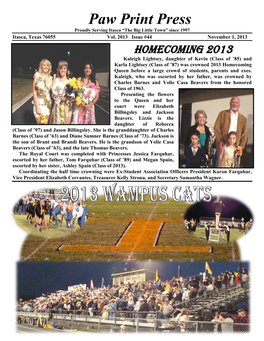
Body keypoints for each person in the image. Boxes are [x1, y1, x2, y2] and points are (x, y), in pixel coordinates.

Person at [214, 97, 248, 166]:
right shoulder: (222, 114)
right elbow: (216, 128)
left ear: (239, 105)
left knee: (234, 165)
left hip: (235, 147)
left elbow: (245, 134)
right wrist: (219, 141)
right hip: (222, 144)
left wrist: (241, 146)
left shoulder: (243, 119)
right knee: (218, 163)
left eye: (237, 102)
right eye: (233, 102)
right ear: (230, 103)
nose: (234, 104)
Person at [32, 59, 53, 124]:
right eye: (44, 65)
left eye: (47, 65)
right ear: (41, 67)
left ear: (49, 67)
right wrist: (38, 107)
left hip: (47, 105)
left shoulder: (51, 78)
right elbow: (34, 93)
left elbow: (52, 92)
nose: (46, 67)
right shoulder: (37, 76)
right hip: (39, 104)